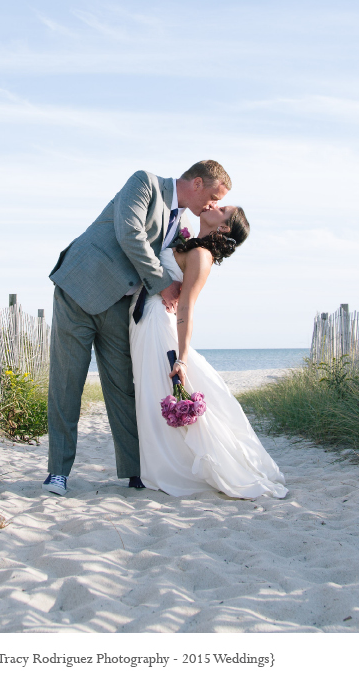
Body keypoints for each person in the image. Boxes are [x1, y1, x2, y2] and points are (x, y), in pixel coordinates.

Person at [43, 161, 230, 495]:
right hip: (80, 288)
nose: (212, 206)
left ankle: (134, 471)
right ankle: (58, 473)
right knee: (67, 382)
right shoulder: (145, 182)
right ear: (198, 183)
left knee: (123, 387)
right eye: (213, 197)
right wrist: (161, 283)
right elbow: (129, 233)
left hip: (121, 305)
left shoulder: (183, 223)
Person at [129, 204, 287, 499]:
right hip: (145, 319)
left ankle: (169, 468)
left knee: (155, 393)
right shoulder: (187, 241)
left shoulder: (202, 256)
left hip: (157, 325)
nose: (214, 205)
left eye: (223, 208)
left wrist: (183, 358)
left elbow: (187, 306)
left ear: (225, 227)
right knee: (148, 393)